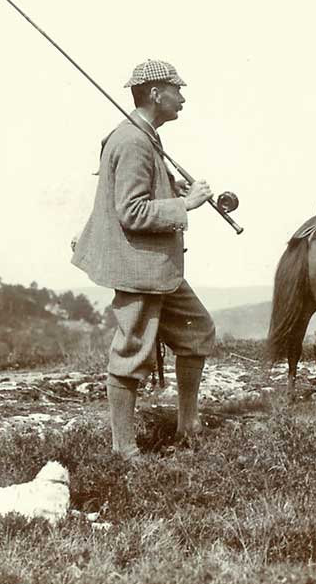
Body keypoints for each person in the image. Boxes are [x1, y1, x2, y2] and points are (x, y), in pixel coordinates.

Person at [72, 59, 216, 457]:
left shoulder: (141, 136)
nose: (182, 97)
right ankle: (124, 449)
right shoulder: (133, 141)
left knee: (198, 331)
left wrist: (171, 188)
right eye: (177, 89)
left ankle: (187, 425)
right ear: (156, 93)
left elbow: (141, 194)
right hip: (140, 267)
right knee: (132, 349)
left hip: (157, 268)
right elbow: (131, 211)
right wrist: (186, 204)